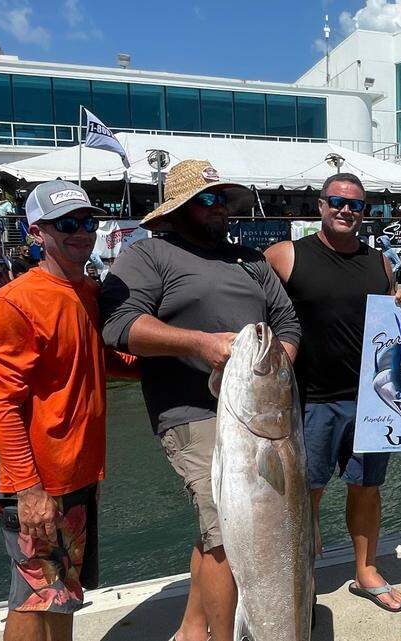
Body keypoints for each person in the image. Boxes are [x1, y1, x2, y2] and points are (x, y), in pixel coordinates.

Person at [99, 160, 301, 641]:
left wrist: (273, 368)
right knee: (227, 531)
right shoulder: (148, 256)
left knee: (227, 525)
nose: (219, 210)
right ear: (178, 209)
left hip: (264, 411)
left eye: (224, 201)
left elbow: (287, 323)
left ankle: (193, 629)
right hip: (192, 412)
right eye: (207, 200)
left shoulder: (250, 260)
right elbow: (118, 325)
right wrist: (200, 344)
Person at [0, 180, 137, 641]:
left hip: (81, 478)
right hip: (38, 485)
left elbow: (100, 360)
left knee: (64, 593)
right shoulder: (15, 302)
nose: (81, 232)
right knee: (33, 598)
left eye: (88, 222)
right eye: (67, 223)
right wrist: (28, 490)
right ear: (36, 231)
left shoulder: (88, 292)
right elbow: (1, 405)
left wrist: (172, 359)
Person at [265, 173, 401, 614]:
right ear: (321, 206)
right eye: (337, 201)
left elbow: (397, 323)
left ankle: (366, 571)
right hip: (309, 401)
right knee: (304, 494)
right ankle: (301, 577)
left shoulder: (380, 264)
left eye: (356, 205)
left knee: (367, 488)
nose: (346, 210)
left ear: (364, 212)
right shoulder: (285, 256)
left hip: (374, 401)